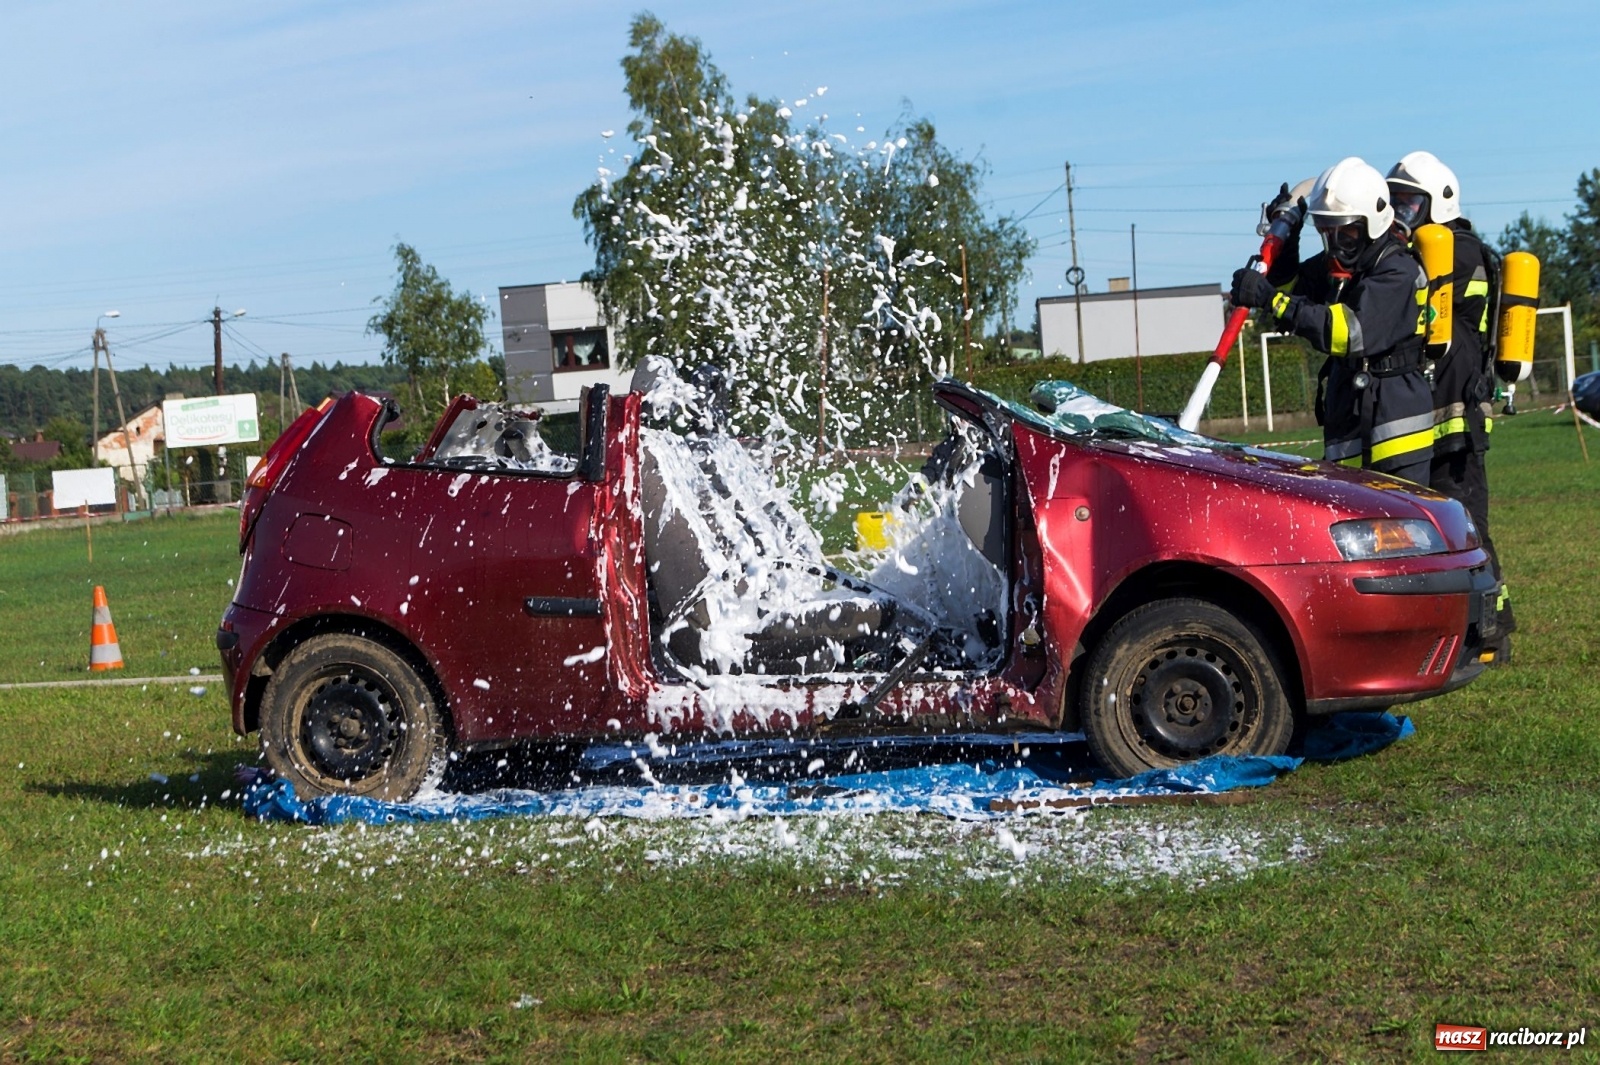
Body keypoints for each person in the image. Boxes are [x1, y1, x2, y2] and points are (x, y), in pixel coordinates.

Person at [1232, 157, 1434, 485]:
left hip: (1395, 435)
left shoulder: (1398, 271)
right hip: (1350, 418)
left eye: (1347, 232)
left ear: (1374, 223)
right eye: (1328, 232)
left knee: (1399, 533)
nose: (1336, 244)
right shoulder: (1342, 262)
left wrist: (1270, 299)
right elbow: (1295, 293)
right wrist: (1288, 243)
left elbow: (1347, 332)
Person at [1387, 150, 1515, 658]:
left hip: (1457, 412)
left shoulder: (1455, 251)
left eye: (1409, 203)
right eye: (1394, 202)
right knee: (1447, 526)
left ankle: (1492, 632)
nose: (1400, 214)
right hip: (1443, 409)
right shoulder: (1452, 249)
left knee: (1468, 527)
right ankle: (1469, 630)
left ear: (1438, 202)